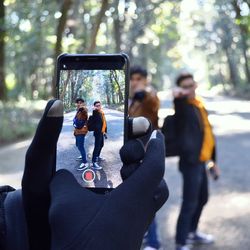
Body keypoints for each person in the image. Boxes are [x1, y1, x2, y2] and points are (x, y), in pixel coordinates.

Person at [0, 99, 169, 250]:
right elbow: (89, 123)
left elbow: (100, 123)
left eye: (97, 104)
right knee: (88, 149)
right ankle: (89, 159)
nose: (95, 106)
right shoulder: (89, 113)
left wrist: (20, 220)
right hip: (85, 134)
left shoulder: (99, 113)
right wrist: (24, 221)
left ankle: (94, 159)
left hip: (98, 135)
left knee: (100, 149)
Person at [173, 73, 220, 250]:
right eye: (185, 86)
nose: (189, 89)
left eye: (191, 85)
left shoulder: (199, 105)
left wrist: (213, 161)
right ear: (181, 89)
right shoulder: (183, 106)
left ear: (196, 85)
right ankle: (181, 241)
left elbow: (208, 134)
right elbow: (178, 103)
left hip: (202, 161)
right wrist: (178, 95)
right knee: (190, 201)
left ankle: (192, 232)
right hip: (190, 162)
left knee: (202, 198)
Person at [129, 65, 161, 250]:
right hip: (130, 156)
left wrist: (144, 92)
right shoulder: (130, 100)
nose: (135, 82)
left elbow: (152, 101)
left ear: (145, 80)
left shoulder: (148, 96)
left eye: (139, 78)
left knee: (148, 199)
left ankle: (154, 243)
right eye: (132, 78)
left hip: (147, 155)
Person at [90, 101, 107, 170]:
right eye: (96, 105)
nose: (98, 106)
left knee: (101, 145)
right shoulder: (96, 113)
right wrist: (95, 110)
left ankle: (97, 156)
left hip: (101, 132)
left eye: (99, 105)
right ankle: (94, 162)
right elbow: (94, 116)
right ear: (94, 106)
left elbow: (104, 123)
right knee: (97, 146)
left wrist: (104, 132)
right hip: (98, 133)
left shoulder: (101, 113)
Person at [73, 98, 89, 171]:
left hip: (81, 131)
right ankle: (83, 156)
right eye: (78, 103)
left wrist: (82, 108)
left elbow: (84, 113)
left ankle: (85, 163)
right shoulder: (78, 110)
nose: (79, 104)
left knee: (80, 146)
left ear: (83, 103)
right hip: (77, 131)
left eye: (80, 102)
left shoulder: (83, 110)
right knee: (77, 145)